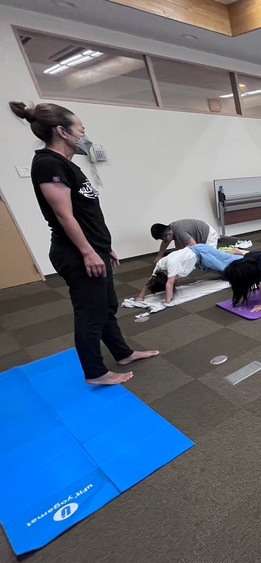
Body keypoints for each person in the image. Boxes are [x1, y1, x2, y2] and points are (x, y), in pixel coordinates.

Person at [10, 101, 158, 385]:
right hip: (76, 253)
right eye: (80, 129)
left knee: (107, 307)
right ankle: (95, 373)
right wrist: (89, 252)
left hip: (93, 249)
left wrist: (104, 247)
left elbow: (85, 213)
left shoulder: (66, 164)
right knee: (90, 313)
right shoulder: (48, 163)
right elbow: (65, 217)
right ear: (62, 131)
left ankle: (123, 353)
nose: (84, 135)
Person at [136, 244, 244, 304]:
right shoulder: (159, 268)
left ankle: (242, 256)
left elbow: (169, 284)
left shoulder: (171, 265)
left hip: (202, 253)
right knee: (225, 275)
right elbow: (150, 281)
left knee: (227, 266)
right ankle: (232, 253)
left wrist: (168, 301)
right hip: (199, 261)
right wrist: (140, 297)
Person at [150, 219, 218, 265]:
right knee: (183, 252)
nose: (164, 241)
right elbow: (166, 242)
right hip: (199, 233)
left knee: (210, 259)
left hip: (209, 234)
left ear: (168, 234)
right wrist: (159, 256)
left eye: (164, 239)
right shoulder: (170, 228)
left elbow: (194, 246)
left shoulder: (180, 232)